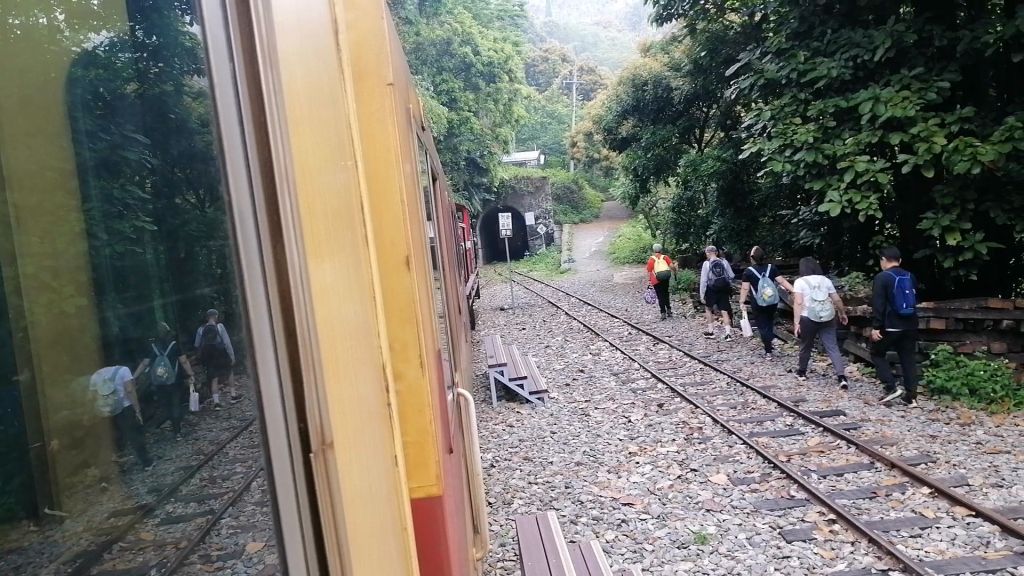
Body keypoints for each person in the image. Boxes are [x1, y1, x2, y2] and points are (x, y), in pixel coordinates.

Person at [870, 246, 920, 407]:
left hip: (892, 325)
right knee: (907, 357)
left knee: (876, 352)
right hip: (911, 324)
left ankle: (890, 387)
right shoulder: (910, 276)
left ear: (883, 260)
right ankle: (911, 397)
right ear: (900, 260)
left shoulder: (882, 277)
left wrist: (876, 326)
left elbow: (878, 304)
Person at [792, 257, 850, 389]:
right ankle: (841, 377)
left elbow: (798, 303)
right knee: (832, 346)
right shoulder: (826, 280)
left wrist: (796, 322)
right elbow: (836, 299)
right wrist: (842, 313)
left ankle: (801, 372)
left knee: (806, 346)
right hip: (828, 317)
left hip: (808, 318)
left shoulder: (800, 282)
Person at [135, 322, 195, 440]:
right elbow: (183, 361)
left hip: (159, 382)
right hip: (175, 381)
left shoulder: (152, 346)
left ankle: (172, 425)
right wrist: (190, 374)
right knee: (176, 404)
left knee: (166, 404)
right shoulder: (175, 345)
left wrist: (134, 376)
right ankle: (177, 431)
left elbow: (145, 363)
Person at [90, 364, 153, 470]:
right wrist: (137, 409)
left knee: (114, 439)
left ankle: (118, 467)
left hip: (106, 411)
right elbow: (129, 390)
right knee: (134, 436)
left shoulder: (95, 376)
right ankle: (146, 462)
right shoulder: (124, 370)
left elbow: (93, 396)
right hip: (125, 408)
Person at [739, 246, 795, 359]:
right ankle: (770, 342)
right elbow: (782, 281)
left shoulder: (748, 271)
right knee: (769, 321)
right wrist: (794, 290)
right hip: (772, 301)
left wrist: (742, 301)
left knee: (762, 324)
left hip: (758, 303)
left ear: (752, 258)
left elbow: (745, 288)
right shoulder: (771, 268)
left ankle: (768, 349)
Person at [195, 309, 237, 410]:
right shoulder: (220, 326)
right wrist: (232, 356)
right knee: (230, 372)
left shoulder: (201, 329)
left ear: (207, 317)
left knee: (214, 378)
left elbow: (197, 344)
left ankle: (216, 402)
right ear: (215, 316)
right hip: (221, 354)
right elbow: (227, 342)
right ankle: (233, 396)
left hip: (209, 357)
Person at [699, 246, 736, 340]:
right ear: (716, 252)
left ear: (708, 253)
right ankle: (728, 334)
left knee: (708, 309)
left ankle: (711, 332)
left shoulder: (706, 263)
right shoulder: (724, 261)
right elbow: (731, 275)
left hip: (711, 289)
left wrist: (702, 295)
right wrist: (726, 283)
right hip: (723, 289)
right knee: (724, 310)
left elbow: (703, 280)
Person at [645, 244, 677, 320]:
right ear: (661, 250)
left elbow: (649, 271)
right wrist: (675, 271)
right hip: (665, 278)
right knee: (666, 294)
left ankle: (663, 313)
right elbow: (672, 266)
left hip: (656, 280)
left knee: (660, 296)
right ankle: (669, 310)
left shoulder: (651, 259)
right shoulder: (665, 257)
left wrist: (649, 281)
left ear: (653, 250)